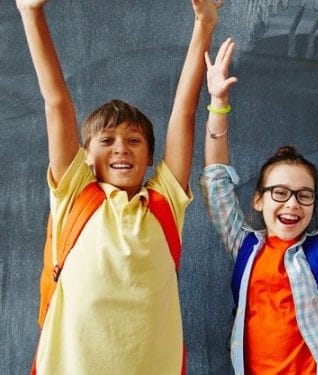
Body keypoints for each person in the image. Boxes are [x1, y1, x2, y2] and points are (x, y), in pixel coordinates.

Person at [18, 0, 221, 372]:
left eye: (134, 140)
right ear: (85, 156)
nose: (121, 148)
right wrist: (31, 12)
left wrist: (204, 26)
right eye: (106, 140)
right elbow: (56, 102)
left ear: (149, 159)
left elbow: (184, 112)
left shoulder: (162, 203)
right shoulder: (76, 194)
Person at [200, 34, 318, 374]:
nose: (292, 204)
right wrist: (217, 102)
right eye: (280, 193)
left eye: (304, 195)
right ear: (258, 199)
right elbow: (216, 181)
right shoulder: (245, 248)